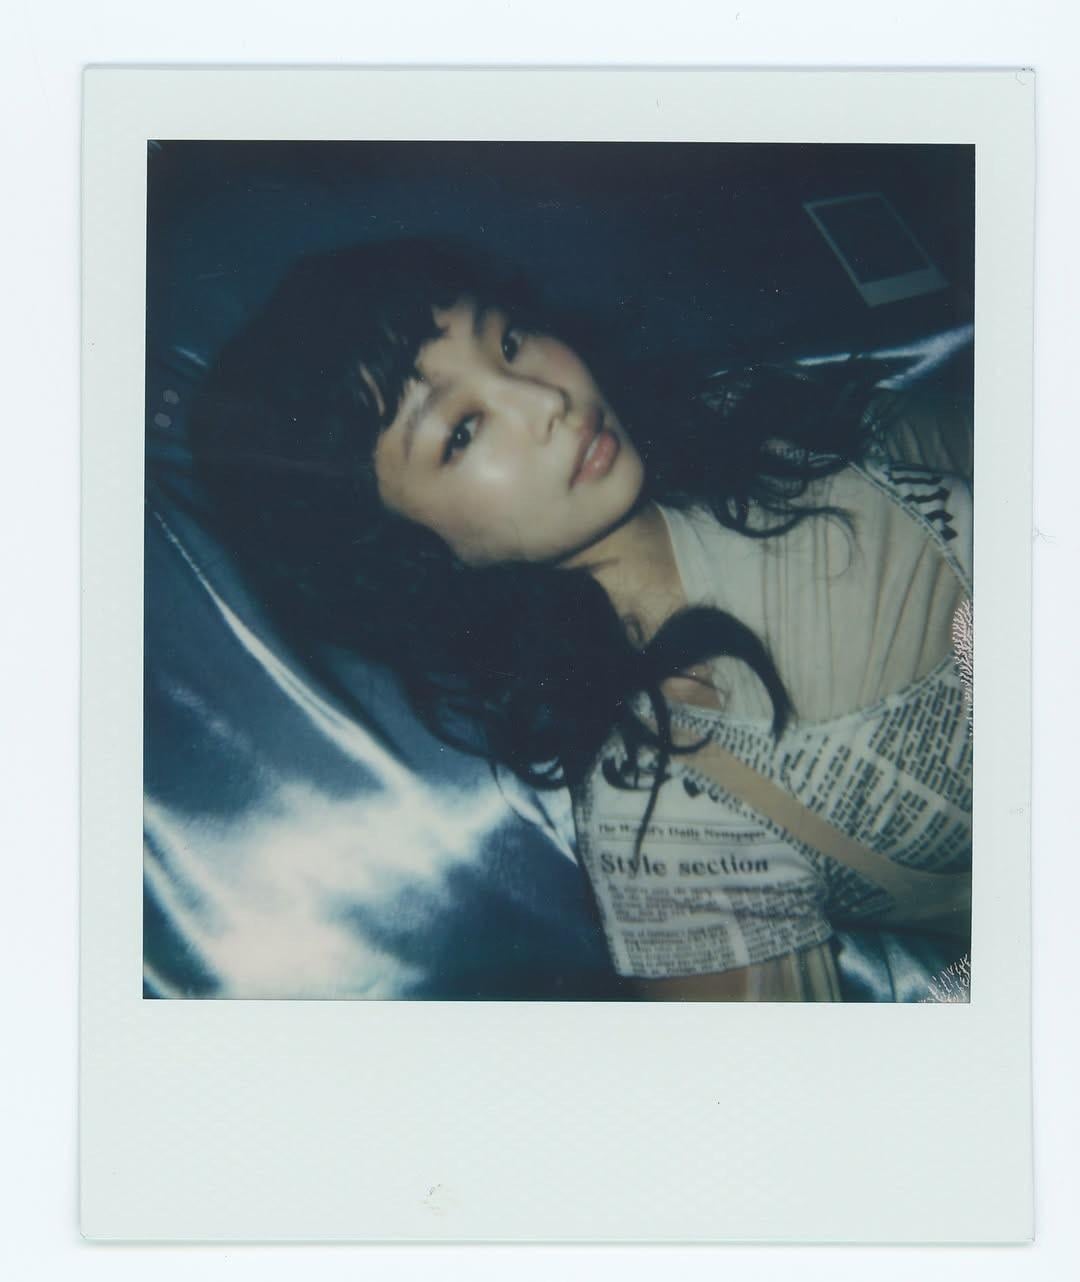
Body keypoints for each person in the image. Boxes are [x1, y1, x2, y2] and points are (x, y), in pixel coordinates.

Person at [189, 237, 973, 1002]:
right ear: (406, 556)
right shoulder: (664, 808)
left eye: (509, 342)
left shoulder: (747, 421)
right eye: (461, 432)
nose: (546, 400)